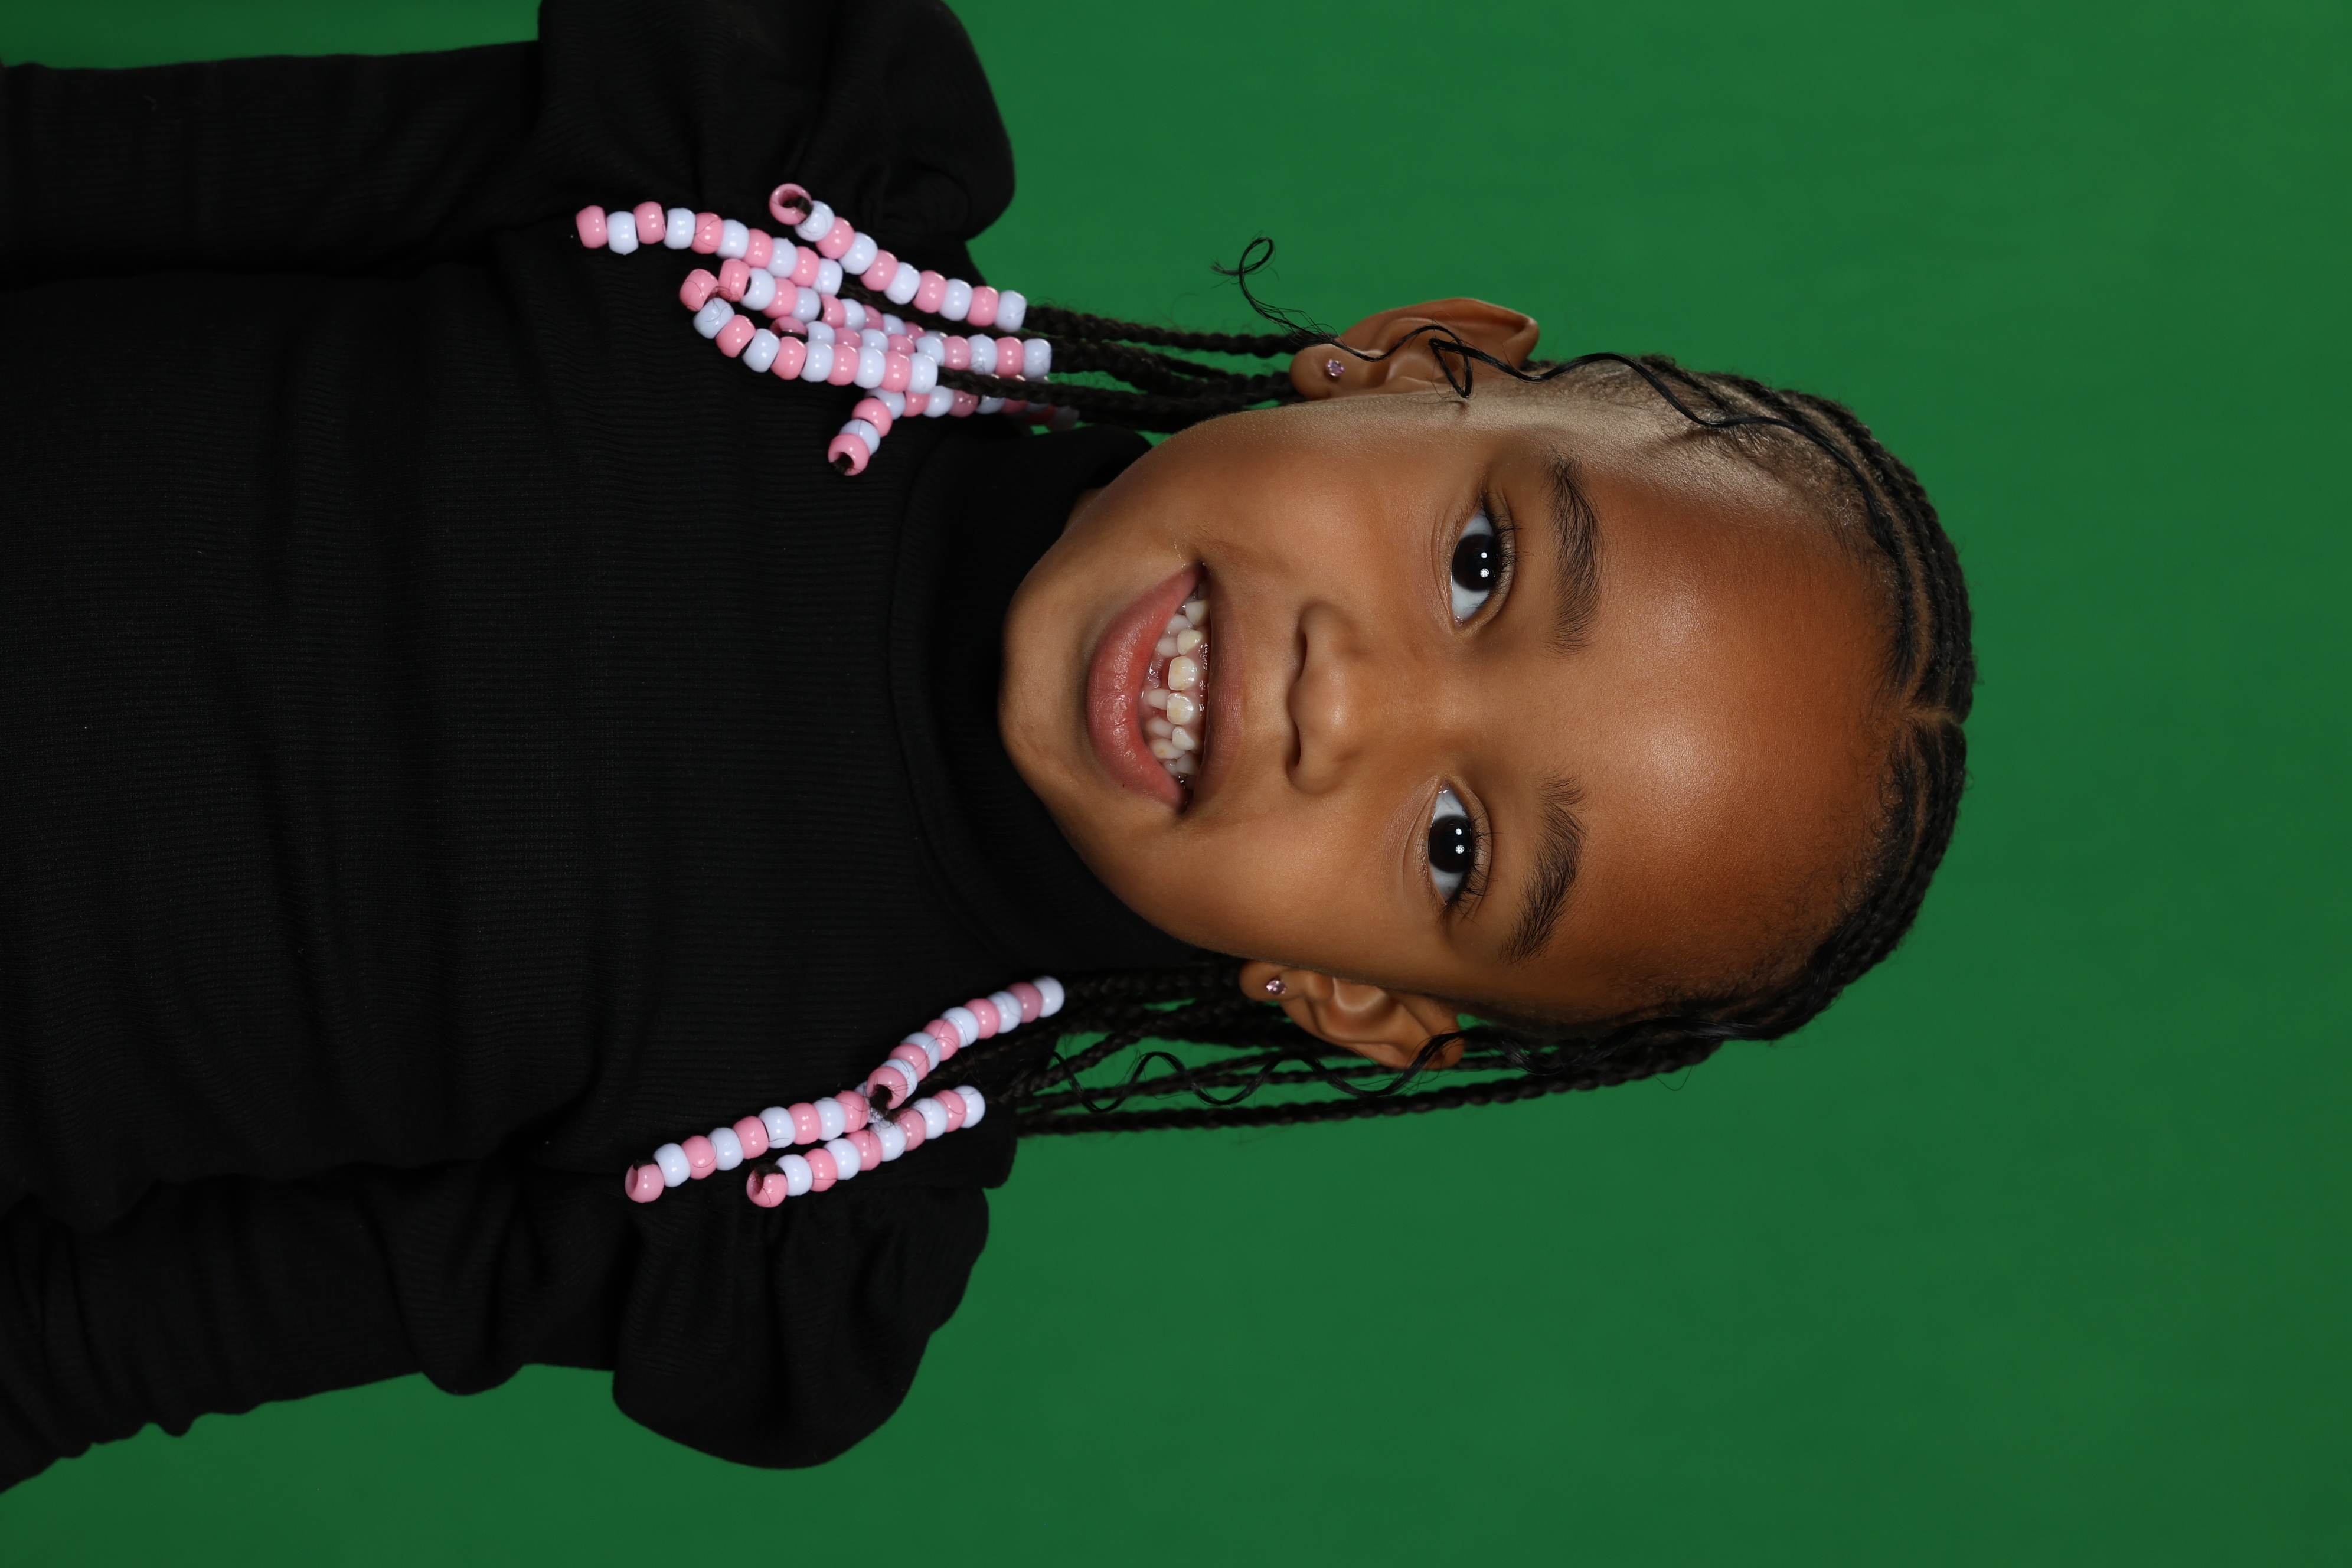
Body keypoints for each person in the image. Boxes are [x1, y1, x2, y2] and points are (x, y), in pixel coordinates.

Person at [0, 0, 1973, 1490]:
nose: (1343, 702)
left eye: (1457, 845)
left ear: (1357, 1000)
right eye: (1481, 564)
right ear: (1403, 360)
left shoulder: (796, 1187)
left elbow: (80, 1347)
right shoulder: (754, 199)